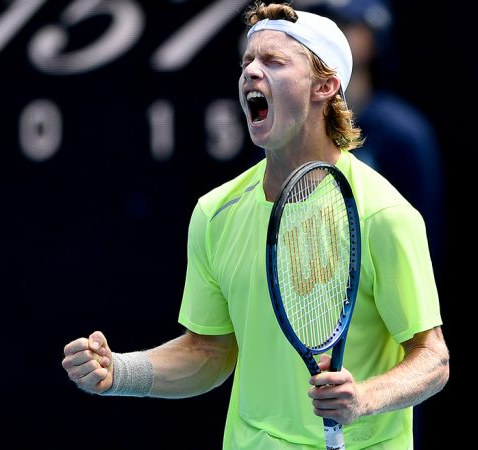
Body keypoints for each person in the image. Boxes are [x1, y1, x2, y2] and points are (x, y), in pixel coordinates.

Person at [61, 2, 449, 449]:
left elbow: (432, 359)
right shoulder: (215, 213)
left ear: (325, 85)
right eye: (247, 61)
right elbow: (208, 352)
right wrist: (120, 372)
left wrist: (362, 398)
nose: (251, 72)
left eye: (274, 61)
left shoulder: (383, 214)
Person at [298, 0, 446, 270]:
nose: (335, 37)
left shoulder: (405, 134)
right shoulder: (291, 128)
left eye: (346, 26)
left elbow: (422, 239)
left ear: (372, 39)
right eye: (328, 26)